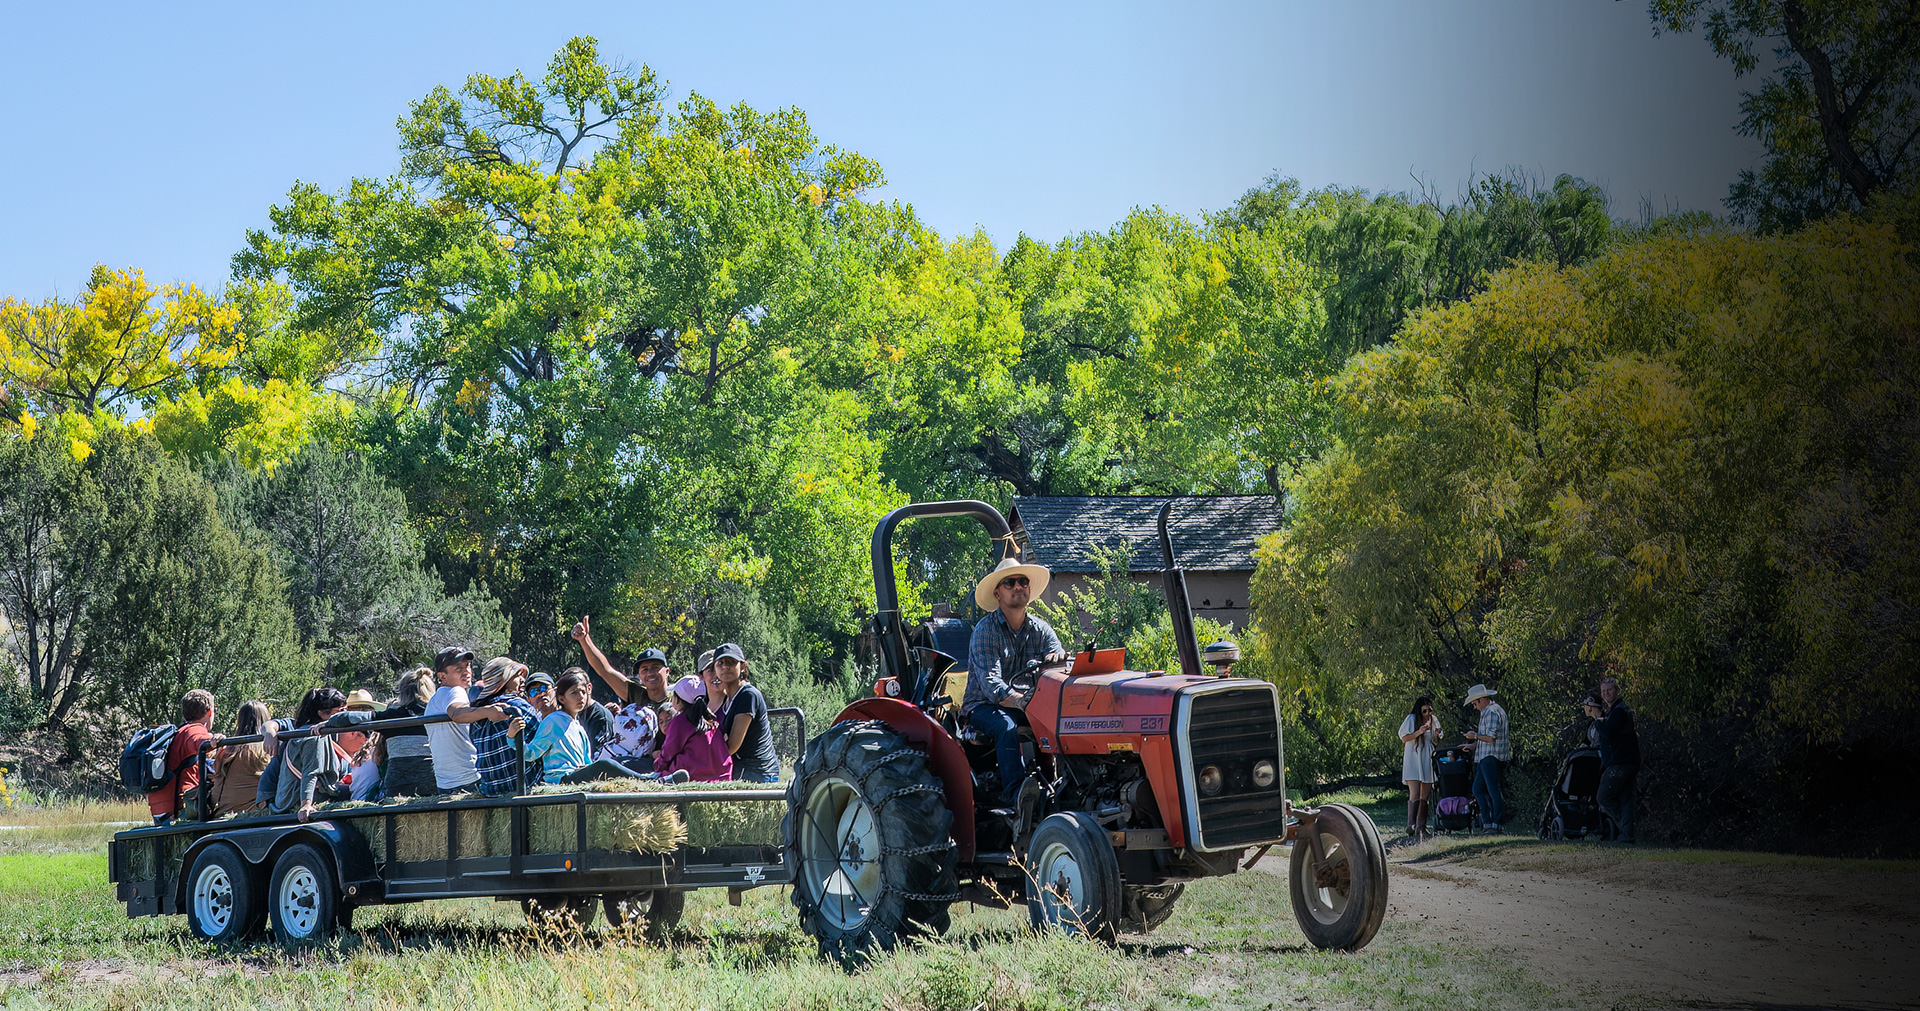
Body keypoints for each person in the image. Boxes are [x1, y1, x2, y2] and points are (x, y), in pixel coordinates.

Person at [964, 555, 1063, 807]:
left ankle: (1058, 787)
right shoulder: (985, 631)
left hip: (1026, 703)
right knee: (1006, 726)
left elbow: (1062, 664)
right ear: (998, 593)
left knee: (1059, 721)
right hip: (983, 706)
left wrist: (1058, 661)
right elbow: (990, 685)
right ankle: (1018, 796)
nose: (1018, 586)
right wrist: (1023, 702)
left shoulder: (1041, 630)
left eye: (1023, 581)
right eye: (1010, 583)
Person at [523, 669, 686, 785]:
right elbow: (531, 753)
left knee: (618, 761)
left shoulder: (578, 725)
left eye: (582, 691)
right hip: (561, 779)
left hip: (576, 775)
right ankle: (652, 782)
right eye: (574, 693)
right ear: (561, 698)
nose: (581, 697)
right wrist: (512, 737)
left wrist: (587, 767)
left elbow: (586, 760)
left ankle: (654, 776)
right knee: (605, 765)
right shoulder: (553, 720)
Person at [423, 646, 524, 795]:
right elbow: (456, 713)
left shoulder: (434, 700)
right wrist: (490, 711)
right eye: (458, 668)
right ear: (442, 676)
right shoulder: (456, 691)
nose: (466, 671)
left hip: (444, 783)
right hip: (469, 779)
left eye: (467, 666)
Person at [273, 687, 353, 822]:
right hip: (297, 799)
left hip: (292, 796)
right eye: (340, 711)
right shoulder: (314, 737)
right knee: (360, 793)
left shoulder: (304, 731)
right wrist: (306, 805)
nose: (344, 716)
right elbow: (311, 772)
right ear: (322, 713)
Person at [468, 656, 540, 797]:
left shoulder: (477, 716)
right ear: (503, 680)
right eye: (517, 676)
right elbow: (543, 735)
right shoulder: (517, 706)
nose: (522, 680)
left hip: (491, 791)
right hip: (524, 785)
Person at [149, 689, 220, 825]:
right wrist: (213, 740)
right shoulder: (194, 729)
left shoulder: (180, 731)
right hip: (178, 809)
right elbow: (197, 741)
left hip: (161, 808)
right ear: (210, 711)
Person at [711, 643, 780, 783]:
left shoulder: (748, 695)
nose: (725, 666)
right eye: (720, 663)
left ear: (743, 666)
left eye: (731, 662)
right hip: (742, 771)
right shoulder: (727, 700)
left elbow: (732, 746)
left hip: (758, 774)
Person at [656, 675, 732, 782]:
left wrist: (658, 767)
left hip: (691, 774)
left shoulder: (680, 721)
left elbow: (668, 752)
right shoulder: (712, 721)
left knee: (653, 770)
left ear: (677, 700)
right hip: (721, 775)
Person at [1593, 676, 1640, 843]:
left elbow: (1608, 733)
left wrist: (1598, 718)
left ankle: (1625, 830)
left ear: (1617, 691)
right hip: (1626, 761)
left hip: (1621, 763)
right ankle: (1626, 836)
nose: (1607, 694)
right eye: (1604, 691)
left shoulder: (1620, 711)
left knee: (1603, 797)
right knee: (1624, 799)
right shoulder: (1614, 711)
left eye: (1610, 690)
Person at [377, 668, 436, 799]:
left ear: (402, 691)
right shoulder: (436, 713)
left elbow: (358, 717)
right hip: (431, 778)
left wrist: (329, 723)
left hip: (397, 783)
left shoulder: (391, 716)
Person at [1462, 684, 1511, 830]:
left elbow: (1490, 738)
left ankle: (1496, 822)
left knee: (1492, 790)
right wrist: (1472, 745)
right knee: (1478, 789)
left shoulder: (1491, 712)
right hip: (1486, 756)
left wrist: (1474, 735)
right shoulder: (1489, 711)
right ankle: (1488, 820)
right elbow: (1486, 738)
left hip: (1491, 756)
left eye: (1475, 703)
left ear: (1482, 699)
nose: (1475, 707)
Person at [210, 701, 272, 817]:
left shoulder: (225, 750)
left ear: (239, 721)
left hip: (219, 814)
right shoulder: (265, 751)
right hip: (249, 816)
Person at [1398, 696, 1440, 840]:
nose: (1428, 713)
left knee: (1425, 793)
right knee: (1414, 792)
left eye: (1430, 709)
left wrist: (1436, 734)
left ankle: (1421, 826)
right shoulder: (1411, 719)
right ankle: (1411, 825)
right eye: (1425, 710)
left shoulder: (1433, 720)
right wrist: (1419, 732)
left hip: (1426, 756)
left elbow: (1435, 741)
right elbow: (1404, 738)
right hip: (1413, 757)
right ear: (1419, 710)